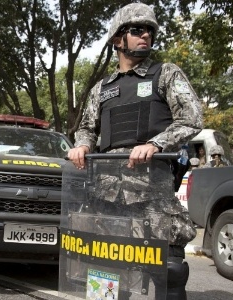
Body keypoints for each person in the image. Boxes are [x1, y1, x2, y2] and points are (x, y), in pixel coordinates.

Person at [67, 3, 203, 299]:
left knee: (170, 271)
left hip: (152, 192)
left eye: (150, 31)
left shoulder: (165, 74)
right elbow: (86, 127)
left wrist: (155, 143)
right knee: (106, 271)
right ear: (118, 40)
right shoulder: (102, 88)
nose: (146, 36)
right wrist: (82, 144)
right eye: (137, 30)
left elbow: (192, 118)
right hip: (106, 196)